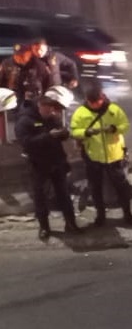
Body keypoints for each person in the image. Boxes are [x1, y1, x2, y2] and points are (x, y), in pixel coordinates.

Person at [16, 94, 81, 240]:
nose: (51, 112)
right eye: (48, 109)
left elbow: (61, 135)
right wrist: (48, 136)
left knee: (64, 194)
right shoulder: (25, 121)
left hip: (57, 162)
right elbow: (26, 142)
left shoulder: (52, 119)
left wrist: (63, 133)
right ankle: (44, 227)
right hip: (38, 165)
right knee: (40, 196)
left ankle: (71, 223)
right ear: (40, 106)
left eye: (52, 109)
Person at [70, 82, 132, 227]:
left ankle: (128, 214)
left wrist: (114, 128)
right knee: (96, 188)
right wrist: (86, 132)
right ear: (86, 100)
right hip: (93, 157)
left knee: (121, 187)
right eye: (91, 103)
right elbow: (74, 131)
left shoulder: (114, 109)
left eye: (97, 102)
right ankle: (100, 216)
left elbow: (125, 126)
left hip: (115, 156)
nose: (94, 105)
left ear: (102, 97)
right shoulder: (80, 112)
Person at [1, 43, 55, 115]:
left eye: (23, 54)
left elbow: (48, 82)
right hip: (13, 101)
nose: (19, 57)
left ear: (29, 53)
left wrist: (45, 99)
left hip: (34, 100)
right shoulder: (6, 63)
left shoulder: (39, 65)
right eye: (17, 54)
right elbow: (1, 81)